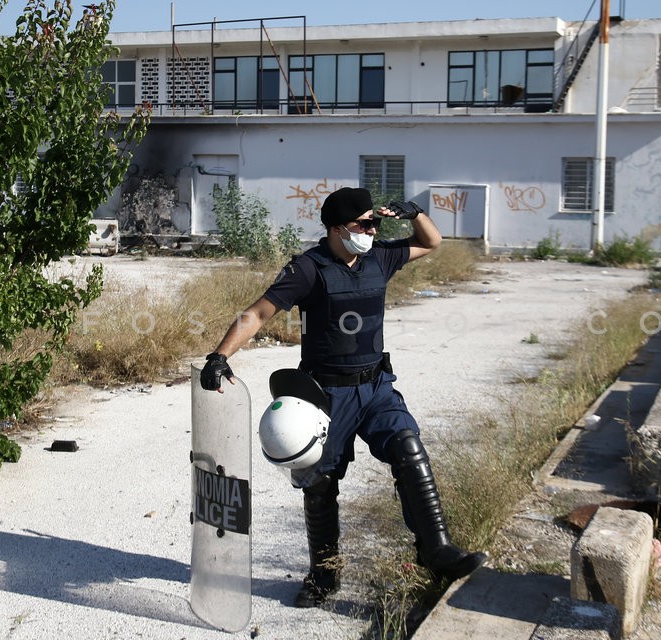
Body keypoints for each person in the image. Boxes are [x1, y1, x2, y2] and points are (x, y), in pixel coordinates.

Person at [199, 186, 486, 608]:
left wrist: (415, 213)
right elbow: (257, 313)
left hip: (376, 387)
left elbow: (431, 241)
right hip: (326, 394)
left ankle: (435, 549)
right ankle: (324, 575)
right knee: (319, 483)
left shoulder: (380, 257)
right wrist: (220, 355)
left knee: (408, 449)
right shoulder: (308, 269)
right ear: (336, 229)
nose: (372, 230)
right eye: (364, 224)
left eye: (375, 223)